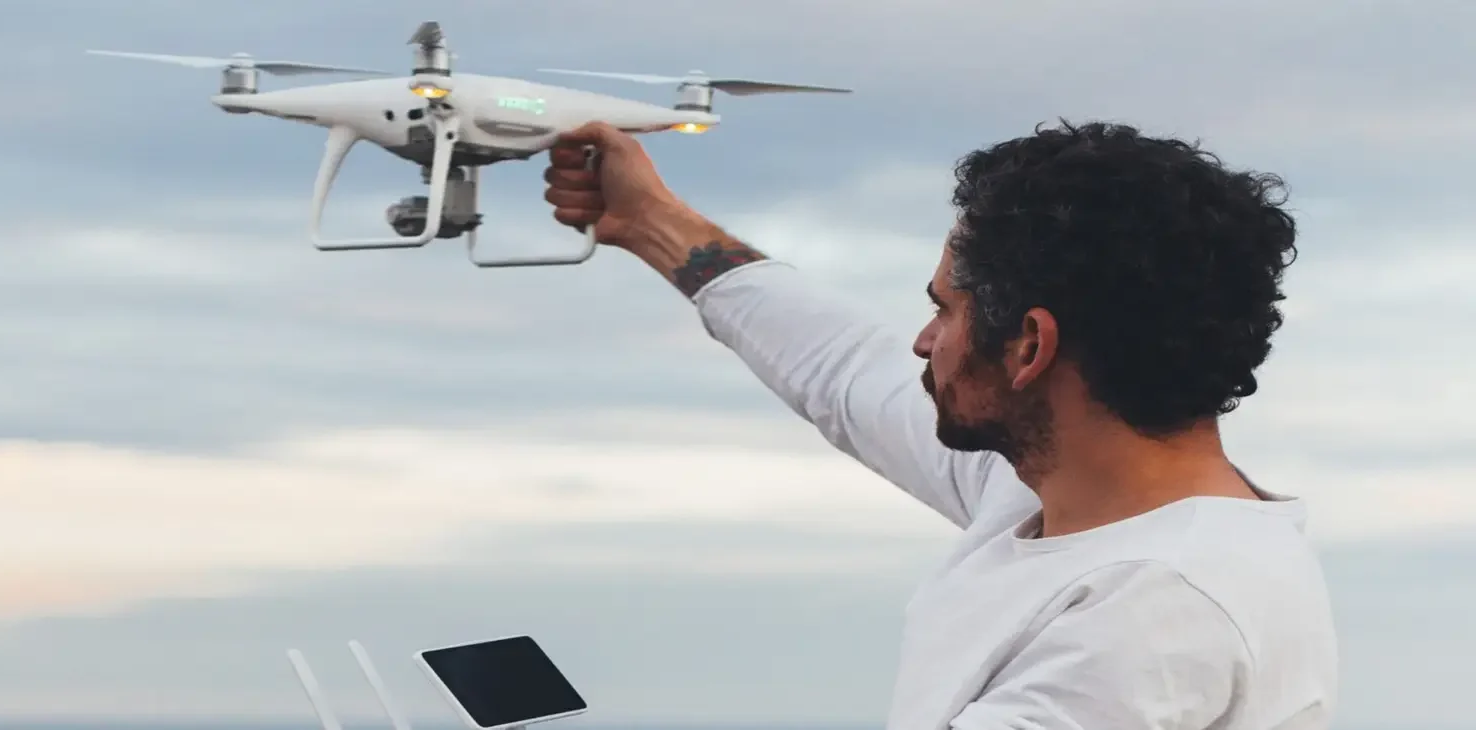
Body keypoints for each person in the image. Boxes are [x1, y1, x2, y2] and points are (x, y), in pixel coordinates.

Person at [542, 120, 1339, 729]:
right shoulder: (1056, 494)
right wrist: (650, 220)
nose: (924, 342)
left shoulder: (1152, 614)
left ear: (1029, 346)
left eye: (943, 309)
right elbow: (841, 369)